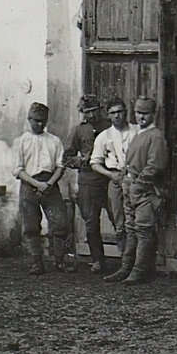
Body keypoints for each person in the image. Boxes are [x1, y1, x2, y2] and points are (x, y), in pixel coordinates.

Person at [106, 95, 170, 285]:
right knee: (131, 229)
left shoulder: (155, 136)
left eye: (145, 113)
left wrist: (137, 185)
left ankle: (140, 271)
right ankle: (126, 267)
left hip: (146, 191)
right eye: (138, 113)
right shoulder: (139, 134)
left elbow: (154, 166)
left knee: (143, 230)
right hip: (131, 188)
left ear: (153, 114)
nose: (141, 117)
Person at [12, 102, 72, 274]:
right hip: (29, 185)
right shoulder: (21, 142)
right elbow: (17, 170)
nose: (40, 124)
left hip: (50, 185)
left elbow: (61, 166)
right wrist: (37, 184)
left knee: (60, 223)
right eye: (36, 120)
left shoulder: (54, 141)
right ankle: (36, 263)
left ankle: (60, 261)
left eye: (43, 121)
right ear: (29, 119)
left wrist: (49, 184)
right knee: (31, 227)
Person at [64, 94, 111, 274]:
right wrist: (81, 160)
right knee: (91, 222)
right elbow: (67, 158)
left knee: (119, 219)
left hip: (109, 178)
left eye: (94, 111)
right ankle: (98, 259)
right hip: (88, 180)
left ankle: (128, 259)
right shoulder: (78, 131)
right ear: (82, 112)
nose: (91, 116)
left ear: (100, 110)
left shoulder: (109, 128)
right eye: (87, 112)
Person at [90, 98, 135, 250]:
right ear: (108, 115)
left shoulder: (137, 132)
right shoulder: (104, 136)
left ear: (125, 112)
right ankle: (125, 259)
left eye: (119, 112)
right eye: (113, 113)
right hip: (115, 179)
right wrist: (110, 175)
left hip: (135, 179)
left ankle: (139, 261)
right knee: (119, 221)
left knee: (137, 221)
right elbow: (94, 163)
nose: (117, 116)